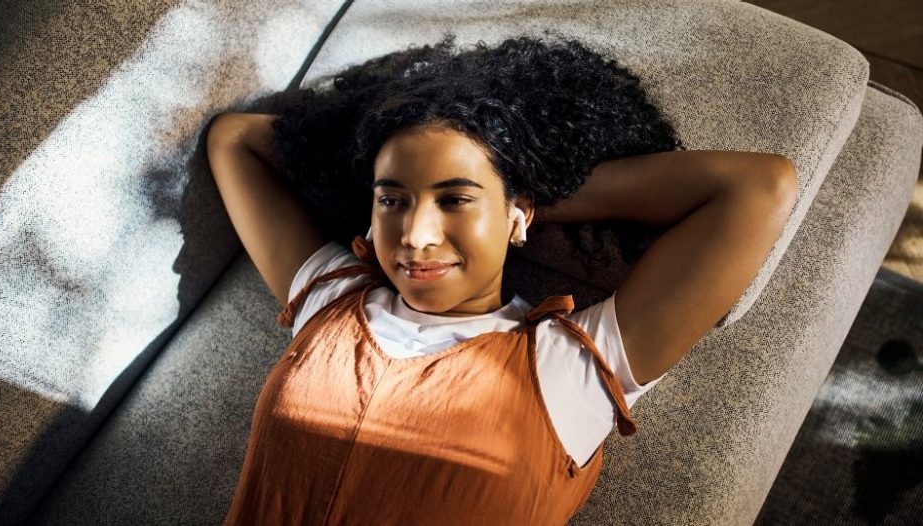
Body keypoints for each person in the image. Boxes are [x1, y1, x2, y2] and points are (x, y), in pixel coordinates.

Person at [206, 31, 797, 525]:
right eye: (393, 200)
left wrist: (517, 188)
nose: (415, 235)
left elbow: (756, 187)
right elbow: (233, 139)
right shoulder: (333, 301)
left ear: (520, 213)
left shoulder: (571, 368)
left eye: (454, 199)